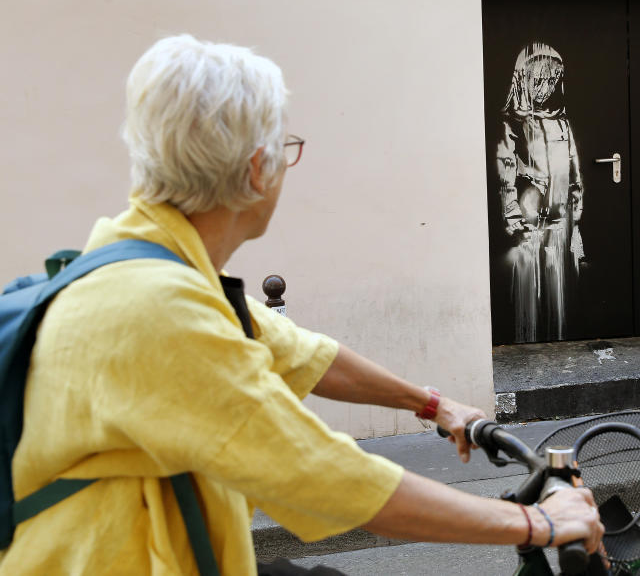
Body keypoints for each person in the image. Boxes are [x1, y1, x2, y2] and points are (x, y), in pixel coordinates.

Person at [0, 35, 603, 575]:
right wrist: (538, 524)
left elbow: (304, 354)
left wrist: (434, 404)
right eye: (287, 147)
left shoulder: (150, 265)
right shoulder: (157, 310)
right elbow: (323, 477)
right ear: (259, 169)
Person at [495, 43, 585, 343]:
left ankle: (560, 344)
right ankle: (528, 347)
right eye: (538, 81)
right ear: (522, 79)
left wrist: (577, 221)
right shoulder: (514, 125)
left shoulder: (562, 123)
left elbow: (574, 174)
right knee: (528, 302)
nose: (545, 88)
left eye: (551, 80)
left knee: (560, 299)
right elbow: (506, 173)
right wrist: (513, 219)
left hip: (560, 224)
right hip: (528, 227)